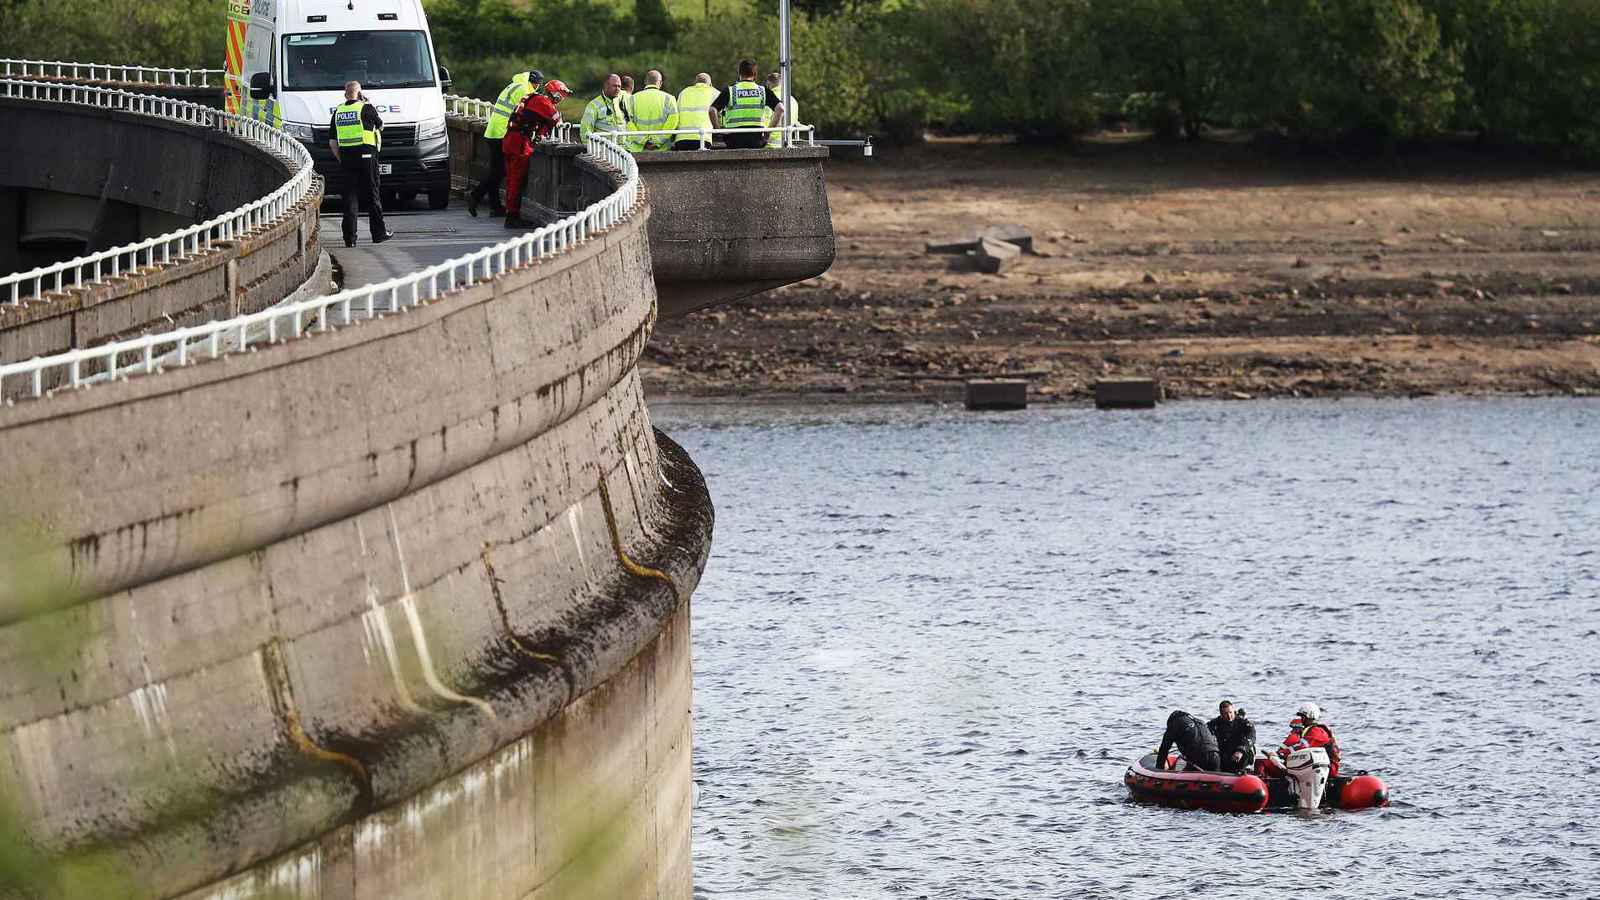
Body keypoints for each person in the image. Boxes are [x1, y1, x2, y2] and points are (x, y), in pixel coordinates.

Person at [470, 68, 543, 218]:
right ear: (534, 83)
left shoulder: (513, 85)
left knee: (495, 171)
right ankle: (475, 196)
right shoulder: (526, 91)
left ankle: (495, 207)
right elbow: (529, 112)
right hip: (502, 133)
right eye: (537, 85)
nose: (537, 88)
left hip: (492, 131)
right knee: (499, 172)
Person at [327, 80, 391, 248]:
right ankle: (378, 234)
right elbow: (381, 125)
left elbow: (333, 142)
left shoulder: (338, 112)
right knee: (372, 196)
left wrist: (341, 158)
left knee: (349, 198)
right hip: (367, 157)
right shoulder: (366, 108)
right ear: (359, 93)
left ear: (345, 94)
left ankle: (350, 239)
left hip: (347, 159)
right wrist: (367, 102)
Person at [502, 79, 569, 228]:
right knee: (516, 180)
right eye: (562, 95)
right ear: (556, 94)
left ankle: (511, 214)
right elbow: (556, 120)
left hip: (510, 139)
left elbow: (543, 121)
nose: (562, 99)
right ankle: (512, 217)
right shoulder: (543, 102)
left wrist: (541, 131)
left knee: (512, 179)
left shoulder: (533, 97)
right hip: (519, 142)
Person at [713, 59, 782, 149]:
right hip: (756, 139)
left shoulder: (730, 90)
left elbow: (712, 110)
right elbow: (780, 109)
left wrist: (718, 131)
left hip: (733, 140)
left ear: (739, 73)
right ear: (755, 74)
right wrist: (769, 131)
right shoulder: (763, 90)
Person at [1274, 702, 1341, 777]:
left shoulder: (1317, 731)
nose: (1301, 720)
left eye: (1303, 717)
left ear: (1310, 716)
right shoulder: (1310, 731)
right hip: (1320, 767)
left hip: (1328, 769)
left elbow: (1301, 747)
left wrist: (1281, 754)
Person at [626, 70, 679, 152]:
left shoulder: (633, 98)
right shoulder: (669, 98)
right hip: (662, 150)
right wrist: (657, 141)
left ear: (645, 82)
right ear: (660, 83)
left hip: (638, 149)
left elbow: (628, 122)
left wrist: (643, 141)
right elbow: (673, 122)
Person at [1153, 709, 1221, 772]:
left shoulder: (1174, 724)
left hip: (1198, 758)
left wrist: (1159, 770)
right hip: (1215, 755)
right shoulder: (1199, 722)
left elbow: (1164, 748)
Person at [1207, 700, 1257, 773]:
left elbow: (1251, 737)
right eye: (1225, 714)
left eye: (1230, 712)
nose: (1229, 716)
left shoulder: (1244, 723)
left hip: (1240, 754)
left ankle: (1241, 771)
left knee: (1247, 749)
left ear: (1234, 711)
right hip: (1223, 754)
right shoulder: (1214, 724)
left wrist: (1240, 751)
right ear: (1221, 714)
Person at [675, 73, 720, 150]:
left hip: (681, 139)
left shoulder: (684, 92)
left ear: (694, 83)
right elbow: (722, 115)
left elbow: (676, 114)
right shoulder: (715, 92)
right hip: (703, 139)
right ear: (711, 84)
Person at [580, 74, 628, 142]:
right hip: (604, 149)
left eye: (619, 86)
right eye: (614, 86)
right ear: (606, 85)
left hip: (623, 149)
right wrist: (589, 148)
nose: (617, 89)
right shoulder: (593, 105)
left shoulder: (622, 102)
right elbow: (585, 131)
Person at [764, 72, 800, 148]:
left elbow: (765, 123)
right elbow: (795, 122)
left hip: (769, 146)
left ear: (768, 84)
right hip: (787, 143)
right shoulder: (792, 100)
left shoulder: (770, 99)